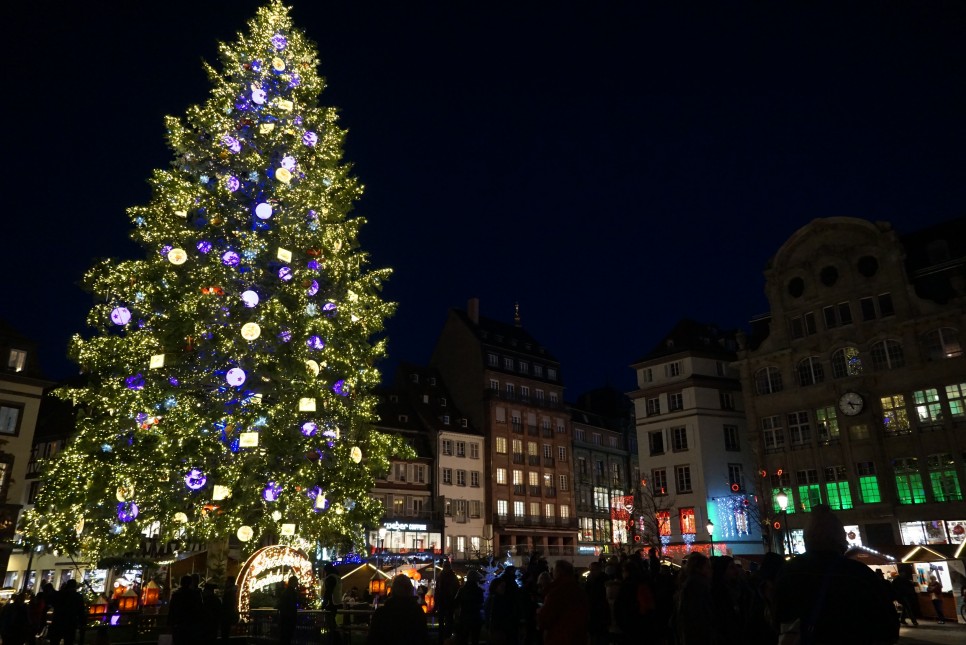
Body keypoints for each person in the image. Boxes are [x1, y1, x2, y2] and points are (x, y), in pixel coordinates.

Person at [774, 504, 898, 644]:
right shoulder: (859, 574)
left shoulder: (788, 572)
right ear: (841, 540)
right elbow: (888, 626)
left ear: (806, 539)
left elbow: (777, 618)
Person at [537, 559, 589, 645]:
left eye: (553, 570)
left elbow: (545, 618)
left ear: (558, 572)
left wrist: (540, 613)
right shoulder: (579, 590)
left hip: (559, 637)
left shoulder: (556, 592)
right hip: (577, 636)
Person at [366, 574, 428, 644]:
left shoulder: (381, 613)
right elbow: (423, 638)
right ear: (410, 590)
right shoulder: (418, 612)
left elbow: (372, 639)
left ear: (392, 591)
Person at [168, 575, 203, 645]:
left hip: (178, 624)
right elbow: (199, 609)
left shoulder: (176, 595)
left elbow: (171, 610)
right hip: (191, 624)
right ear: (190, 583)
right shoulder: (194, 595)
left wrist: (170, 623)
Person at [49, 580, 85, 645]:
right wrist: (81, 622)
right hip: (71, 622)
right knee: (68, 641)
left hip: (58, 621)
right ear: (75, 587)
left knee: (55, 641)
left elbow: (53, 602)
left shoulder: (60, 594)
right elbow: (81, 611)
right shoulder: (78, 596)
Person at [454, 569, 484, 645]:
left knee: (464, 638)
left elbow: (456, 602)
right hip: (476, 617)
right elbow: (481, 603)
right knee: (475, 638)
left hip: (464, 616)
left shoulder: (462, 590)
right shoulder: (479, 590)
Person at [435, 560, 459, 643]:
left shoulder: (442, 576)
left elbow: (437, 590)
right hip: (445, 602)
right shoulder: (444, 576)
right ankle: (444, 638)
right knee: (445, 622)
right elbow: (437, 590)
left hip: (448, 602)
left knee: (447, 621)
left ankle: (445, 638)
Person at [320, 563, 343, 644]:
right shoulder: (337, 577)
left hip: (331, 604)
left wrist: (324, 604)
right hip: (337, 603)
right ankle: (337, 641)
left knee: (331, 625)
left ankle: (336, 641)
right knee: (334, 625)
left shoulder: (330, 578)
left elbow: (328, 592)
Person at [277, 575, 301, 645]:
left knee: (284, 637)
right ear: (293, 582)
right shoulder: (292, 592)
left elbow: (280, 604)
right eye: (296, 582)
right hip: (289, 619)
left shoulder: (286, 592)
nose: (297, 583)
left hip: (285, 618)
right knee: (287, 637)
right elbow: (291, 605)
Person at [220, 577, 240, 642]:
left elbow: (230, 603)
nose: (226, 583)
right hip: (227, 614)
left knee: (225, 632)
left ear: (230, 582)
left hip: (227, 615)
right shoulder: (230, 591)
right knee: (225, 632)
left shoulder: (230, 592)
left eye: (227, 581)